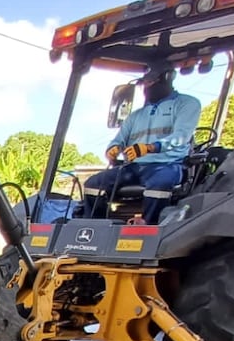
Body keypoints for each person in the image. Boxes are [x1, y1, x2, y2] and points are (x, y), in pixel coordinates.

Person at [83, 63, 202, 223]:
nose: (145, 87)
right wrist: (113, 149)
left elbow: (182, 136)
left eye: (149, 82)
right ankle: (95, 227)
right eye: (144, 83)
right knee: (93, 184)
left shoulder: (186, 104)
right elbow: (119, 139)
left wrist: (150, 147)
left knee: (159, 185)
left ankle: (148, 228)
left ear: (167, 78)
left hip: (168, 165)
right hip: (134, 167)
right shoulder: (136, 116)